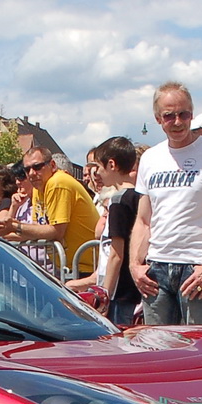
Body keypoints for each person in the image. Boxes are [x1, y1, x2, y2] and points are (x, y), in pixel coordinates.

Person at [130, 83, 202, 325]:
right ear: (158, 119)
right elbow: (143, 220)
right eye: (169, 116)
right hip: (156, 269)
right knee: (157, 350)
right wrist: (135, 266)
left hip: (198, 267)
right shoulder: (150, 158)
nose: (178, 122)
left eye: (184, 114)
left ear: (192, 114)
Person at [67, 137, 142, 326]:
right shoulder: (140, 197)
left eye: (99, 168)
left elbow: (116, 253)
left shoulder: (118, 201)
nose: (97, 174)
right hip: (134, 288)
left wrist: (105, 294)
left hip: (119, 291)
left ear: (112, 165)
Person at [0, 150, 99, 276]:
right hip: (68, 267)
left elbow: (56, 232)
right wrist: (6, 233)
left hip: (85, 267)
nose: (32, 173)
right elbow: (38, 230)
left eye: (37, 167)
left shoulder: (58, 183)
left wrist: (15, 226)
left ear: (52, 165)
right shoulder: (39, 188)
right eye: (27, 170)